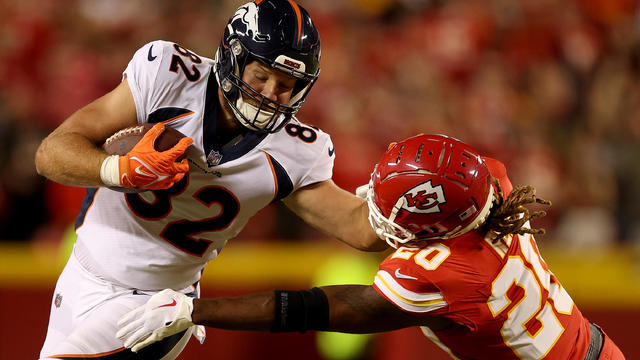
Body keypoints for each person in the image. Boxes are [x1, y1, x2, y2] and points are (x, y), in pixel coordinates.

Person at [34, 1, 384, 359]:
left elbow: (360, 229)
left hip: (153, 306)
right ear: (233, 57)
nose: (269, 93)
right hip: (79, 273)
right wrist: (118, 170)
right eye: (261, 75)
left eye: (286, 84)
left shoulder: (296, 152)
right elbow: (51, 154)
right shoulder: (168, 78)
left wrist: (406, 205)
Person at [116, 134, 625, 359]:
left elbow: (313, 309)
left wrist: (194, 309)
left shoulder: (444, 272)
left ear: (436, 230)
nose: (374, 211)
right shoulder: (491, 185)